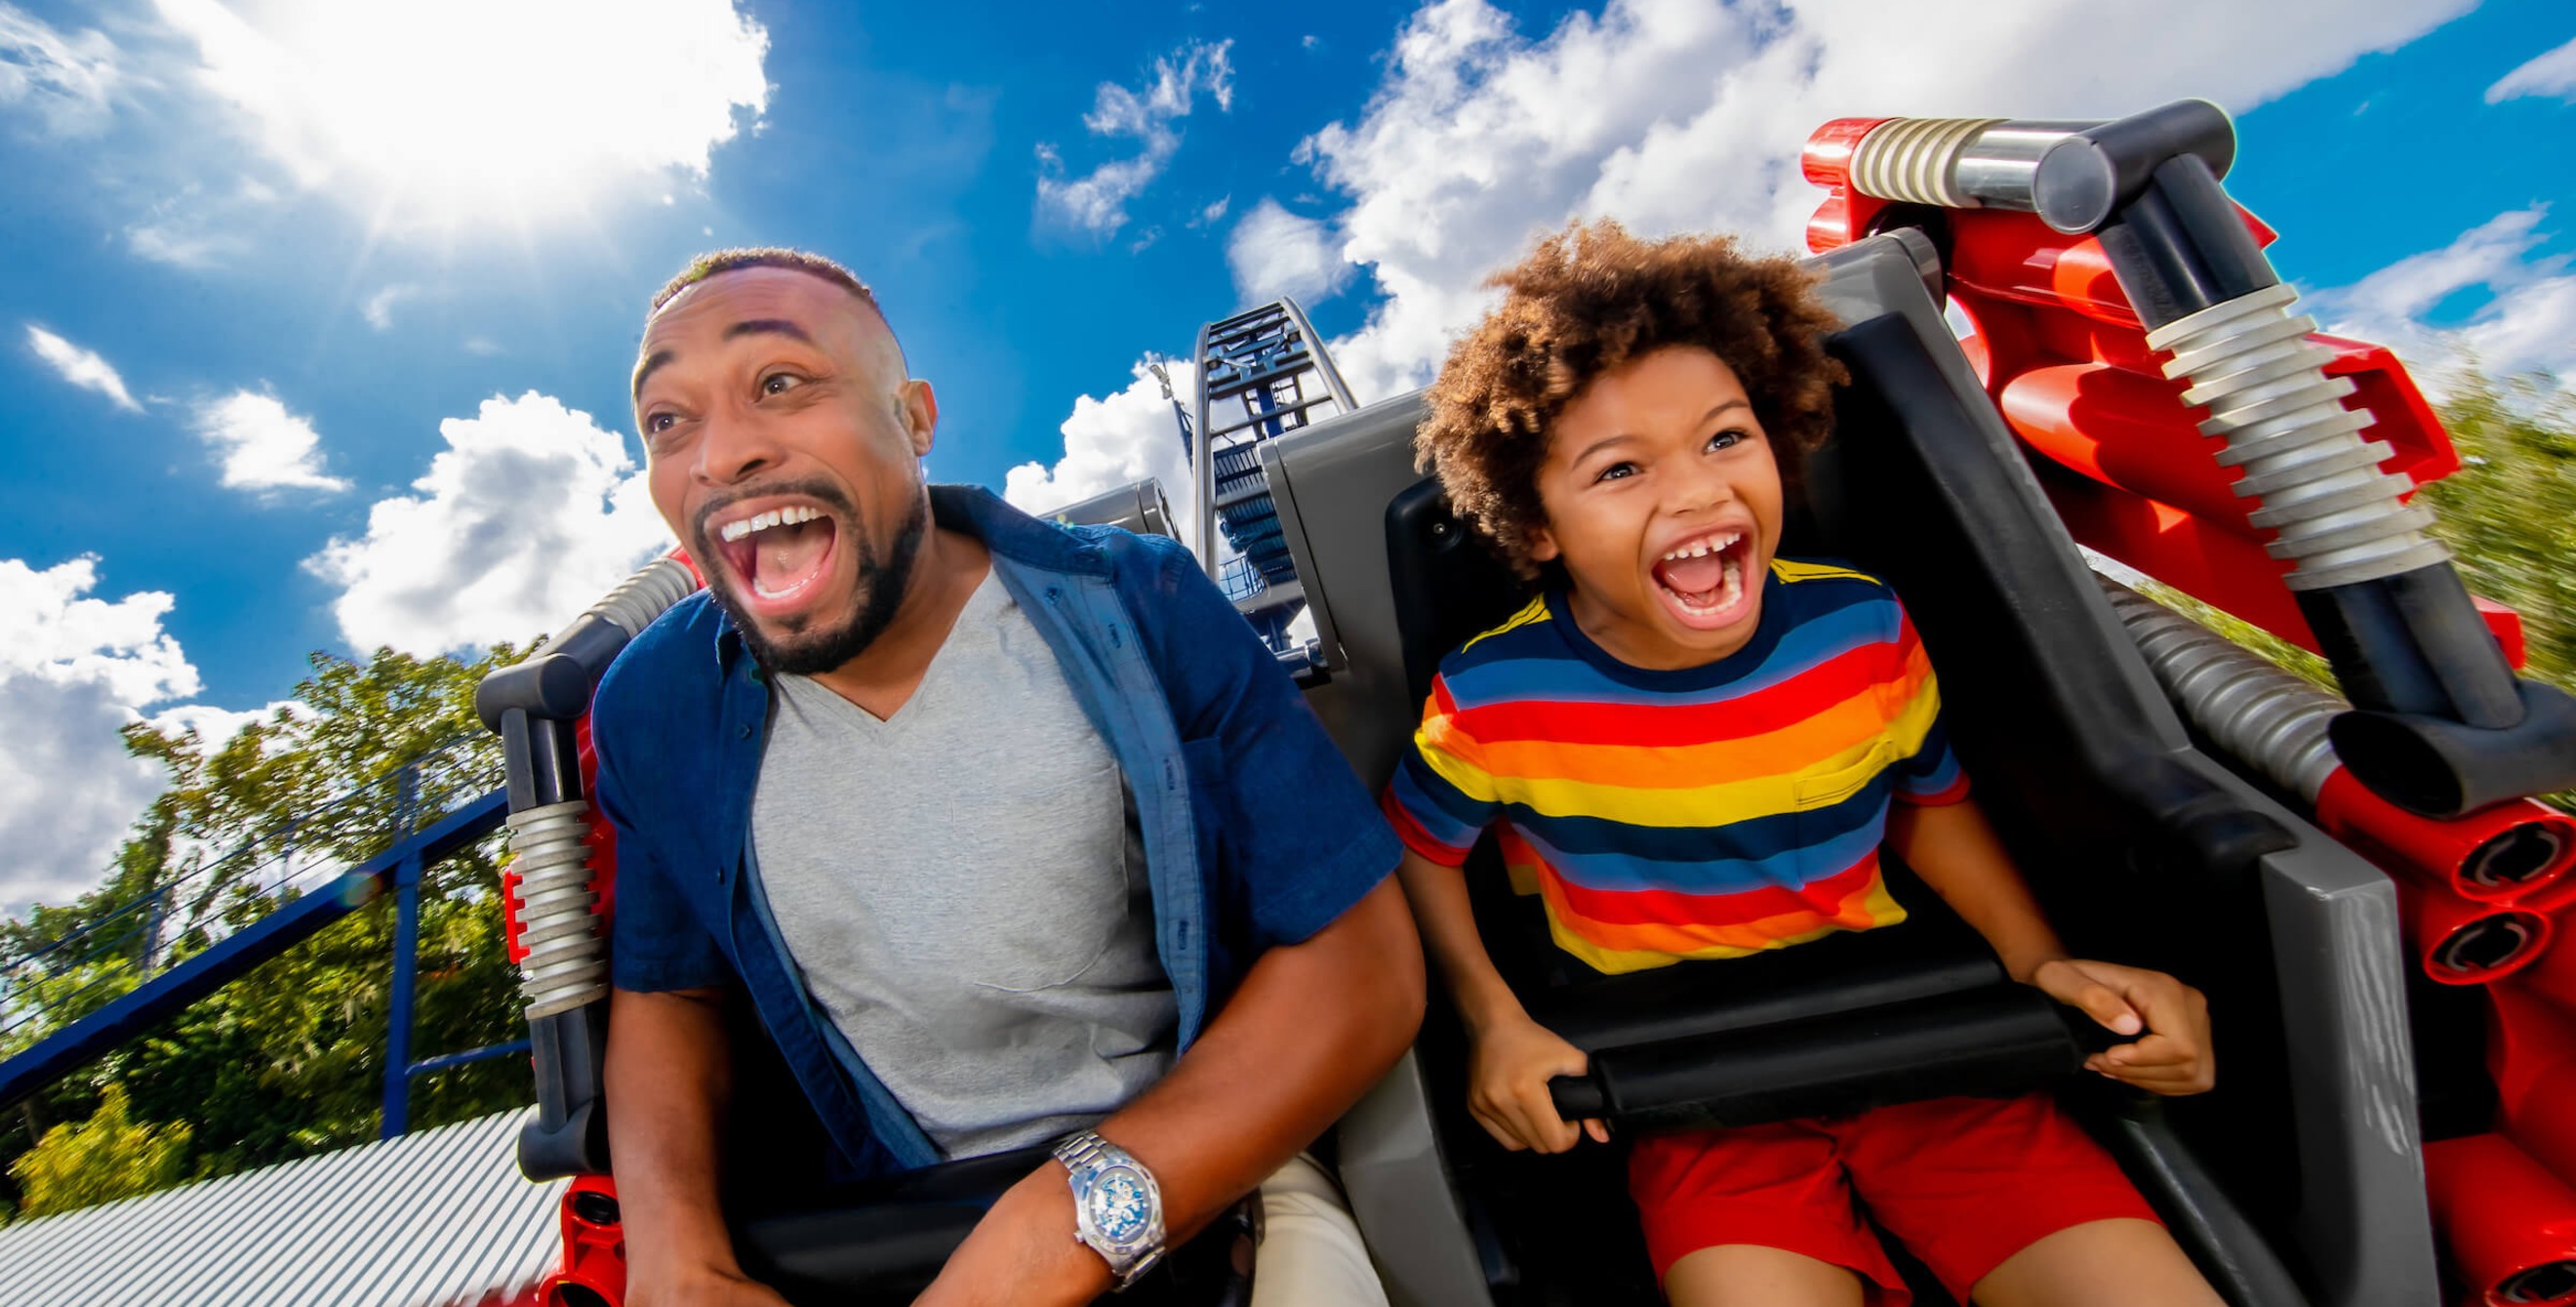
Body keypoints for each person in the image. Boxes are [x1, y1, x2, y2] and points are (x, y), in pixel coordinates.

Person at [1383, 221, 2225, 1307]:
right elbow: (1421, 851)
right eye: (1622, 469)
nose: (1694, 494)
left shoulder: (1861, 625)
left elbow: (1929, 800)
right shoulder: (1494, 694)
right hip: (1686, 1082)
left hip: (1920, 1042)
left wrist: (2039, 961)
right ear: (1537, 527)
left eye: (1725, 439)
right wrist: (1495, 1020)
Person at [596, 246, 1424, 1307]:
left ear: (916, 418)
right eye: (668, 420)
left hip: (1215, 1178)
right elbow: (667, 992)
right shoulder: (653, 708)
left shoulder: (1141, 603)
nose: (723, 453)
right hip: (887, 1223)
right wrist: (675, 1257)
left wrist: (1058, 1222)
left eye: (780, 384)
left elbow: (1361, 964)